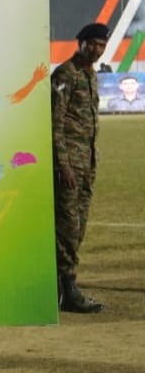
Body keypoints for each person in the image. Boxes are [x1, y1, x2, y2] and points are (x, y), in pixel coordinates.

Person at [51, 24, 109, 313]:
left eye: (102, 44)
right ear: (82, 43)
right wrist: (63, 163)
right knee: (67, 227)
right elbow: (55, 122)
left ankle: (63, 286)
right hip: (69, 166)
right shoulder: (65, 74)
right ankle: (67, 289)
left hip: (87, 163)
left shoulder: (90, 75)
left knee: (79, 225)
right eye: (93, 44)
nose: (97, 49)